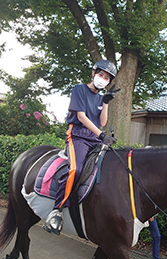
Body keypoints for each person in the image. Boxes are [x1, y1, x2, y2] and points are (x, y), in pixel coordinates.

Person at [43, 59, 119, 234]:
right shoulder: (79, 89)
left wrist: (106, 102)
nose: (103, 79)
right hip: (77, 136)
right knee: (76, 170)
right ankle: (56, 211)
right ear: (93, 73)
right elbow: (82, 117)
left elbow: (102, 121)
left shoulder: (101, 97)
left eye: (107, 78)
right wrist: (101, 135)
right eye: (101, 75)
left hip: (95, 137)